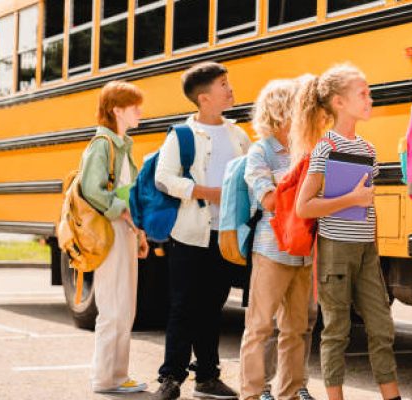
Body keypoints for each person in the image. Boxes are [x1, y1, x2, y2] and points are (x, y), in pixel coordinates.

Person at [293, 64, 402, 400]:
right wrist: (350, 199)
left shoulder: (368, 150)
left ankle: (392, 396)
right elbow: (303, 206)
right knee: (337, 330)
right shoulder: (325, 147)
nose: (370, 99)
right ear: (339, 102)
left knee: (382, 327)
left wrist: (375, 247)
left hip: (366, 250)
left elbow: (368, 205)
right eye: (363, 94)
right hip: (336, 249)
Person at [153, 62, 251, 400]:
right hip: (190, 234)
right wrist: (207, 192)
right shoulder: (182, 135)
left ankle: (207, 377)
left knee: (212, 307)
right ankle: (171, 377)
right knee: (183, 306)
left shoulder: (238, 135)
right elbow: (163, 178)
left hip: (225, 234)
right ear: (204, 97)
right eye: (223, 84)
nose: (230, 88)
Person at [240, 77, 318, 400]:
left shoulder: (307, 149)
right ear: (282, 111)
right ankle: (251, 394)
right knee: (259, 327)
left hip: (304, 251)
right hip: (271, 249)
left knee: (296, 329)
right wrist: (303, 182)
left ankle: (289, 392)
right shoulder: (260, 152)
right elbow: (270, 201)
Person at [82, 80, 149, 394]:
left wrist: (138, 232)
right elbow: (92, 189)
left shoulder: (121, 144)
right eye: (134, 106)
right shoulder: (103, 144)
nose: (140, 111)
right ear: (116, 110)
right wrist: (122, 210)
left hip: (123, 230)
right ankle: (106, 378)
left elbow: (127, 192)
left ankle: (117, 374)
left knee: (124, 306)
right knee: (113, 306)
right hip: (109, 231)